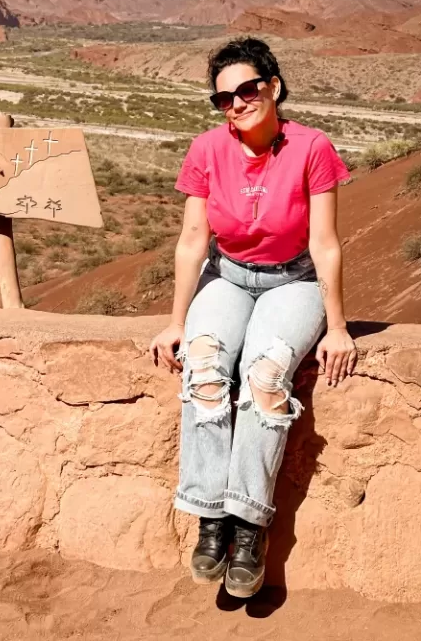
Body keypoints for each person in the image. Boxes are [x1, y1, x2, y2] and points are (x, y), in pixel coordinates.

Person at [149, 37, 356, 599]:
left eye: (247, 90)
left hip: (294, 279)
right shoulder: (207, 150)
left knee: (266, 377)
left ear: (274, 87)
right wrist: (176, 322)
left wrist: (337, 327)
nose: (237, 104)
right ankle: (209, 515)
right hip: (229, 274)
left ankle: (248, 525)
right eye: (224, 99)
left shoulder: (312, 148)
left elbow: (325, 242)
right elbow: (194, 239)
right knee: (205, 366)